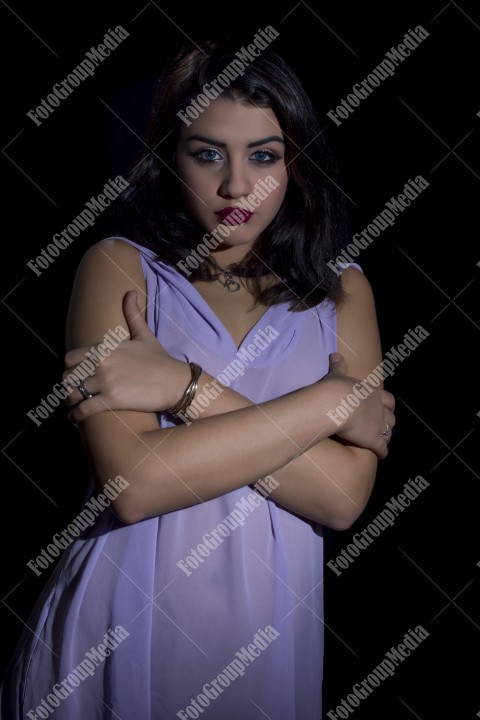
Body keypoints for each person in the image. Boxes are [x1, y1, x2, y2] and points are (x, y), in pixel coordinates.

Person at [1, 37, 395, 720]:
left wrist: (185, 391)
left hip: (266, 649)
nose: (237, 186)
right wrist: (328, 406)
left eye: (264, 155)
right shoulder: (119, 268)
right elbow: (137, 485)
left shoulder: (345, 293)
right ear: (169, 153)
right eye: (207, 153)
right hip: (116, 627)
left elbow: (340, 499)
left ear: (297, 160)